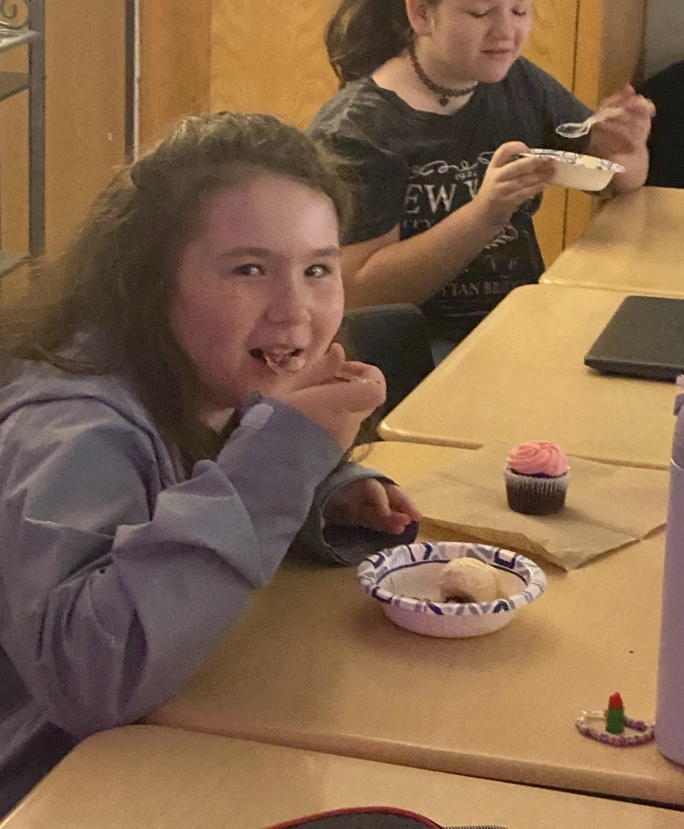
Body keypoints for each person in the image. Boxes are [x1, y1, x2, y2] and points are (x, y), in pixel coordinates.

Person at [0, 112, 421, 816]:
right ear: (148, 282)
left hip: (168, 751)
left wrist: (325, 487)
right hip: (53, 790)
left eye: (319, 269)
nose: (296, 310)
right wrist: (282, 462)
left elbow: (200, 487)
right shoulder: (72, 429)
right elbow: (90, 675)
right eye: (249, 269)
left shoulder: (201, 380)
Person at [311, 0, 654, 353]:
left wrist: (629, 143)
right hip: (414, 348)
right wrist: (485, 215)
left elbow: (619, 179)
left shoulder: (519, 82)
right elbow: (356, 293)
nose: (506, 33)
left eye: (520, 10)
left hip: (516, 322)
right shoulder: (359, 130)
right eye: (480, 13)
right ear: (421, 13)